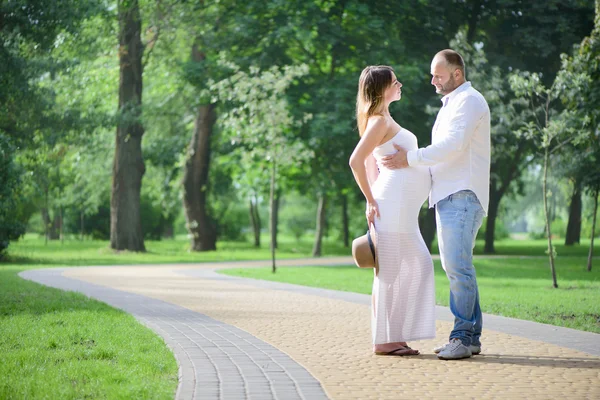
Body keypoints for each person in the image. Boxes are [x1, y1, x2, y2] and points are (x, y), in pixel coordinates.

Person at [381, 49, 490, 360]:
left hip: (462, 195)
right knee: (458, 267)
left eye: (438, 75)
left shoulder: (469, 101)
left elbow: (453, 146)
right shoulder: (452, 104)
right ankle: (471, 337)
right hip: (450, 195)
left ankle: (462, 336)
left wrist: (409, 159)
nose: (433, 81)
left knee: (458, 268)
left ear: (457, 74)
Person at [349, 65, 436, 356]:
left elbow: (373, 164)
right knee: (396, 271)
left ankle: (391, 336)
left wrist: (371, 199)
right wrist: (371, 200)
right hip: (393, 207)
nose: (400, 85)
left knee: (405, 268)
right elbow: (356, 161)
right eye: (395, 82)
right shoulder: (378, 121)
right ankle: (384, 341)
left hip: (400, 210)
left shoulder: (383, 118)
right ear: (382, 88)